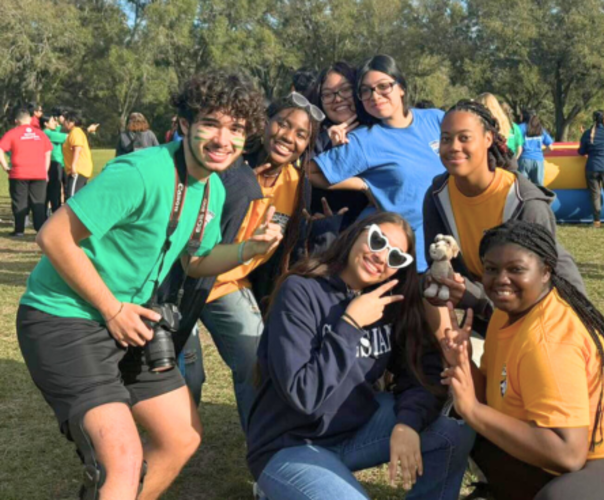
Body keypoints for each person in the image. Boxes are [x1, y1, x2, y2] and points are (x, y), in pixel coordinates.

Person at [15, 69, 272, 500]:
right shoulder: (141, 171)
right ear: (186, 124)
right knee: (122, 459)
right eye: (211, 123)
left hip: (131, 321)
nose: (223, 139)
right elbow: (52, 235)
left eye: (237, 129)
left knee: (180, 438)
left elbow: (195, 261)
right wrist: (112, 309)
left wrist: (249, 249)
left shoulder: (213, 188)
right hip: (65, 317)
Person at [246, 212, 475, 500]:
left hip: (353, 431)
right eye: (377, 241)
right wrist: (351, 325)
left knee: (451, 431)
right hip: (289, 443)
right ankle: (279, 487)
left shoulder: (388, 301)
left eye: (396, 258)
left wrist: (408, 423)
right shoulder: (300, 291)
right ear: (358, 232)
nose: (382, 257)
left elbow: (418, 372)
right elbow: (303, 395)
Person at [442, 220, 604, 500]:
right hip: (590, 453)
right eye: (491, 269)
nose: (501, 279)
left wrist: (473, 410)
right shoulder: (506, 314)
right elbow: (492, 396)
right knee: (475, 432)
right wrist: (463, 363)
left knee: (564, 497)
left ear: (546, 271)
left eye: (516, 269)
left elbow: (567, 454)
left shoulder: (548, 339)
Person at [172, 92, 322, 422]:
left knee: (256, 358)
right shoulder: (225, 164)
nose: (288, 136)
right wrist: (236, 189)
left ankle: (260, 446)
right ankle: (167, 443)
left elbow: (288, 250)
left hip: (228, 284)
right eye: (282, 123)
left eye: (301, 134)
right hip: (183, 282)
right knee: (187, 379)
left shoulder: (296, 185)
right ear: (264, 123)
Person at [423, 100, 584, 336]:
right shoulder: (438, 195)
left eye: (464, 138)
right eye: (446, 139)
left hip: (542, 324)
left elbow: (542, 291)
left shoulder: (525, 203)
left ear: (488, 139)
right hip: (486, 321)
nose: (454, 147)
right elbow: (438, 264)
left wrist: (474, 297)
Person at [309, 54, 446, 274]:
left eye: (383, 86)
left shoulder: (436, 119)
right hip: (405, 260)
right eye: (366, 90)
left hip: (452, 247)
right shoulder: (364, 140)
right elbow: (309, 172)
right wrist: (364, 184)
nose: (375, 95)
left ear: (401, 87)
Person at [308, 61, 370, 228]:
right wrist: (325, 143)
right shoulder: (311, 137)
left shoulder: (377, 131)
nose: (338, 99)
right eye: (328, 94)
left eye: (345, 89)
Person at [0, 107, 52, 236]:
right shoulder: (40, 134)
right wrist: (45, 170)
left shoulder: (12, 133)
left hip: (19, 173)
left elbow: (0, 149)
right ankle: (40, 229)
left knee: (19, 202)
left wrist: (5, 166)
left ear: (16, 121)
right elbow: (48, 152)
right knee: (39, 202)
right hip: (39, 173)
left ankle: (19, 230)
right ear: (29, 120)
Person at [61, 110, 95, 199]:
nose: (64, 123)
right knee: (78, 198)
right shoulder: (77, 131)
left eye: (65, 121)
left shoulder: (75, 131)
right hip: (80, 170)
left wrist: (73, 165)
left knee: (72, 198)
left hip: (78, 170)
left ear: (71, 122)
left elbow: (77, 148)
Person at [40, 114, 69, 214]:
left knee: (53, 190)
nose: (55, 124)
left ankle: (48, 214)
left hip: (57, 163)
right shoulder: (47, 133)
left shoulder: (51, 132)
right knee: (54, 191)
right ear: (45, 124)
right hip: (53, 163)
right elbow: (68, 137)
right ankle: (54, 214)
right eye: (52, 121)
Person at [517, 110, 553, 186]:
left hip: (524, 160)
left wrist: (514, 159)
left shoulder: (519, 128)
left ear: (524, 116)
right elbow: (550, 147)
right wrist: (540, 153)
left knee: (523, 187)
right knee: (539, 188)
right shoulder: (540, 129)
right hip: (538, 160)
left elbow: (519, 149)